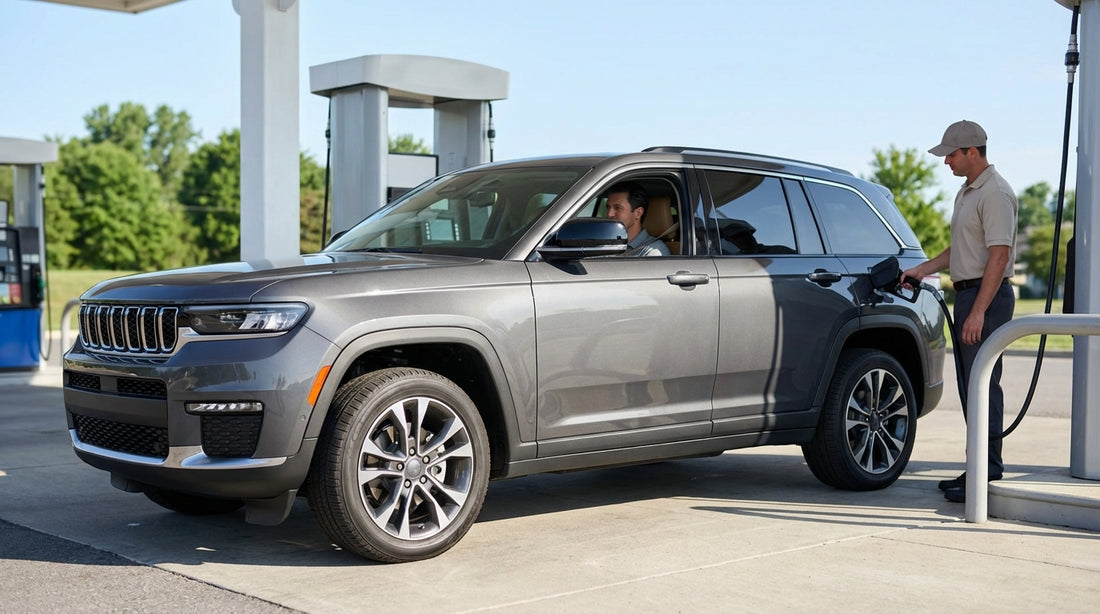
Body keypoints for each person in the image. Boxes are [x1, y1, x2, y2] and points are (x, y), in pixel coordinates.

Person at [900, 120, 1018, 504]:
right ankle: (979, 467)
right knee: (971, 386)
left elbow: (998, 256)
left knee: (984, 384)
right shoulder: (966, 193)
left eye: (950, 154)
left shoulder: (995, 193)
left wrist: (978, 312)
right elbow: (960, 251)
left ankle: (988, 470)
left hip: (988, 297)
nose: (946, 161)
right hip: (969, 294)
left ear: (972, 151)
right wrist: (921, 270)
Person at [603, 182, 670, 257]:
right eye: (608, 207)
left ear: (638, 213)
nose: (609, 214)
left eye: (618, 208)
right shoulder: (606, 245)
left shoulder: (653, 252)